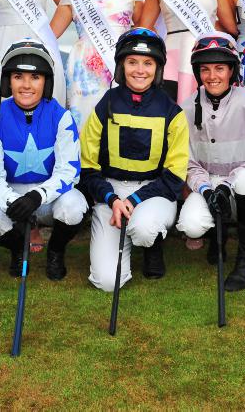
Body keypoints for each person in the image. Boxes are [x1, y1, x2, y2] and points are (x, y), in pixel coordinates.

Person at [80, 28, 189, 291]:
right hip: (111, 193)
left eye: (147, 63)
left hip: (153, 193)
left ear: (158, 68)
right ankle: (127, 233)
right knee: (108, 282)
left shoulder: (172, 112)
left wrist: (134, 200)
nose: (140, 70)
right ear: (121, 66)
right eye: (132, 62)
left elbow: (175, 177)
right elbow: (88, 168)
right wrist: (112, 199)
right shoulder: (104, 105)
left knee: (144, 228)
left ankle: (152, 245)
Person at [0, 41, 87, 281]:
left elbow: (68, 171)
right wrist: (13, 201)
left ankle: (55, 250)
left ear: (46, 82)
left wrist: (37, 196)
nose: (26, 85)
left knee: (74, 207)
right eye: (18, 77)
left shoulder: (62, 117)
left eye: (35, 77)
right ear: (8, 82)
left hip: (48, 195)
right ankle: (18, 246)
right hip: (11, 192)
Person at [175, 33, 245, 291]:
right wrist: (206, 190)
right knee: (191, 225)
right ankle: (219, 235)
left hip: (243, 184)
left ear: (231, 71)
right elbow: (188, 163)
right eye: (205, 69)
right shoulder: (186, 108)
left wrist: (226, 187)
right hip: (206, 183)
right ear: (197, 73)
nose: (212, 76)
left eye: (219, 68)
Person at [51, 0, 143, 130]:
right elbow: (49, 35)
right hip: (83, 70)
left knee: (122, 127)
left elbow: (144, 31)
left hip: (121, 65)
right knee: (84, 125)